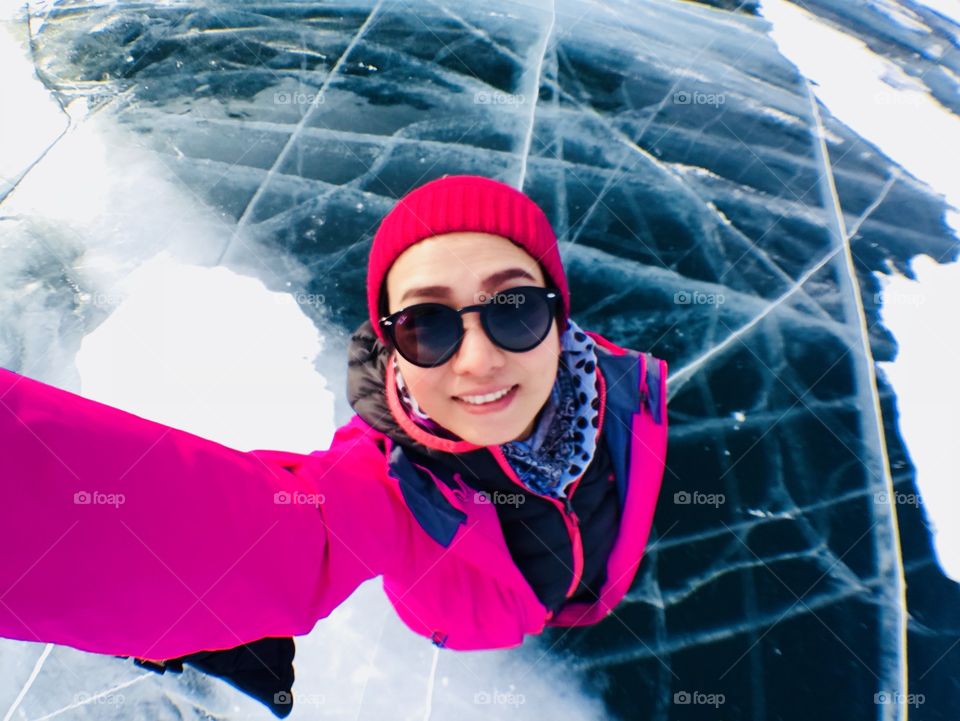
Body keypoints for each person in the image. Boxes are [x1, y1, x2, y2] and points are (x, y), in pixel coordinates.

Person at [0, 175, 668, 717]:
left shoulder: (620, 391)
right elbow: (274, 532)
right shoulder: (393, 485)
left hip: (585, 592)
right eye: (427, 325)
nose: (478, 360)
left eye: (514, 308)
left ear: (559, 316)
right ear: (392, 351)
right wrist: (192, 606)